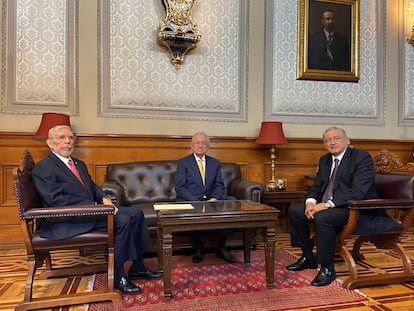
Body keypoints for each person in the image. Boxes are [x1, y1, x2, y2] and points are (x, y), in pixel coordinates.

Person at [32, 125, 162, 294]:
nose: (67, 142)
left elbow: (92, 187)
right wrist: (94, 207)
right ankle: (118, 276)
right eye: (61, 138)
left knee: (136, 213)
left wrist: (103, 198)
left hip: (87, 213)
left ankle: (138, 266)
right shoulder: (44, 167)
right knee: (122, 220)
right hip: (65, 219)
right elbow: (56, 200)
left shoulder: (78, 163)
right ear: (50, 143)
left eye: (71, 138)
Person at [286, 127, 398, 287]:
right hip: (331, 207)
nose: (332, 142)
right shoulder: (325, 160)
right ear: (324, 145)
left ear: (347, 140)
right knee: (295, 211)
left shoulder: (361, 157)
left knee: (322, 217)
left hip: (356, 208)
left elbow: (357, 191)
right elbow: (317, 186)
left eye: (336, 138)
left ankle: (327, 268)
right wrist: (310, 202)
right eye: (327, 140)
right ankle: (308, 256)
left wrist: (325, 205)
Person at [175, 131, 234, 263]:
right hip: (191, 199)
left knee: (232, 203)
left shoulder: (215, 163)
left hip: (211, 199)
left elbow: (219, 184)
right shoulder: (183, 163)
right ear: (192, 145)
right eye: (197, 143)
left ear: (208, 146)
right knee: (188, 209)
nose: (200, 146)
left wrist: (214, 198)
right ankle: (198, 247)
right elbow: (180, 187)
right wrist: (196, 201)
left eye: (203, 143)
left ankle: (221, 246)